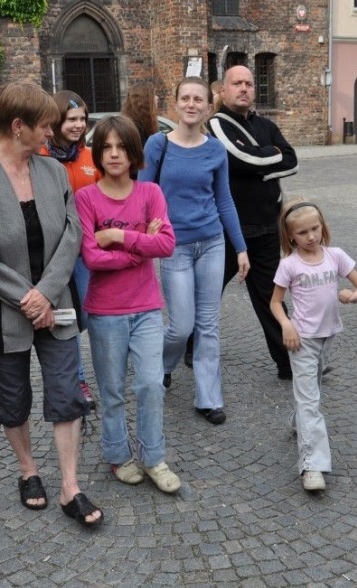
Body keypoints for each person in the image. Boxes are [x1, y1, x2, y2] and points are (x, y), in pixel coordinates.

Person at [0, 81, 101, 526]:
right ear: (17, 127)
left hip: (56, 305)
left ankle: (70, 486)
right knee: (11, 396)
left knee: (66, 393)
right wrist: (24, 297)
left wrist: (46, 293)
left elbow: (72, 234)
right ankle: (28, 471)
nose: (51, 135)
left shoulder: (54, 172)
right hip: (3, 313)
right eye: (44, 127)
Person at [76, 115, 180, 493]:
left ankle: (153, 457)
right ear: (98, 153)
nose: (115, 154)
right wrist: (141, 247)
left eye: (122, 147)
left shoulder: (150, 193)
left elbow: (167, 244)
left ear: (134, 151)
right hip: (105, 311)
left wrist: (119, 235)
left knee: (152, 384)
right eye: (106, 147)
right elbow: (92, 257)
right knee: (113, 390)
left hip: (147, 308)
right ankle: (118, 454)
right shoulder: (86, 198)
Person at [139, 76, 249, 425]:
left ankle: (209, 397)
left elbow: (225, 199)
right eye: (185, 98)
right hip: (175, 247)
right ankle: (164, 364)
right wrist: (147, 228)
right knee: (181, 326)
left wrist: (241, 247)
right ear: (175, 104)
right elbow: (143, 192)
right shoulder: (158, 145)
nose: (191, 104)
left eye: (198, 99)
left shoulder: (215, 149)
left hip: (212, 243)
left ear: (208, 105)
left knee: (208, 323)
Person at [204, 65, 299, 380]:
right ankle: (186, 350)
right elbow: (240, 160)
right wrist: (267, 158)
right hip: (229, 231)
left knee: (272, 297)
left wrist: (261, 161)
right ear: (224, 90)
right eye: (237, 83)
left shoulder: (266, 124)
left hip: (267, 228)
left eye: (248, 83)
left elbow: (291, 159)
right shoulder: (217, 125)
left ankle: (289, 363)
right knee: (206, 294)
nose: (243, 88)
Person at [270, 199, 357, 492]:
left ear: (323, 226)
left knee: (311, 390)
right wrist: (287, 325)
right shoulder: (289, 264)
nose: (311, 236)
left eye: (315, 229)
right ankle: (312, 466)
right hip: (302, 341)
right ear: (291, 237)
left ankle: (299, 419)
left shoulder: (335, 256)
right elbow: (275, 302)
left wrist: (354, 295)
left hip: (329, 337)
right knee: (310, 401)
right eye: (303, 232)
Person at [39, 90, 100, 409]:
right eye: (72, 119)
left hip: (87, 251)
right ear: (58, 120)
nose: (78, 126)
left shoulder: (91, 158)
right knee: (68, 319)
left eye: (83, 120)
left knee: (88, 315)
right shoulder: (40, 157)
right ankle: (76, 379)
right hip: (55, 253)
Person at [121, 83, 159, 150]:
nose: (157, 97)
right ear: (144, 101)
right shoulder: (134, 129)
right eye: (153, 95)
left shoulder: (142, 124)